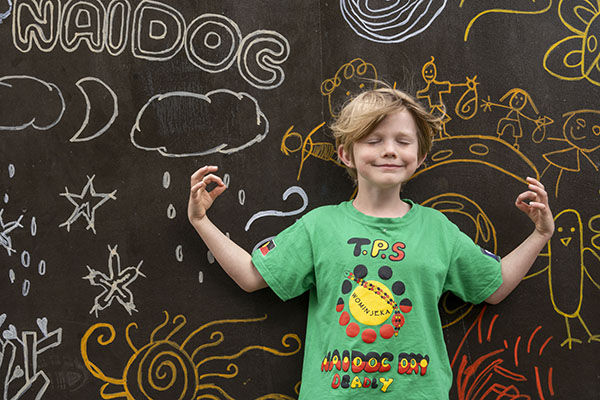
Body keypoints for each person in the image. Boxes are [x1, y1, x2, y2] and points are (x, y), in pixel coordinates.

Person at [187, 87, 555, 399]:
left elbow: (493, 287)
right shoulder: (320, 226)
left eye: (402, 141)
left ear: (420, 156)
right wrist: (201, 221)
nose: (390, 150)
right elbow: (253, 276)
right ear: (346, 153)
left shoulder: (437, 229)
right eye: (374, 140)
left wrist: (540, 235)